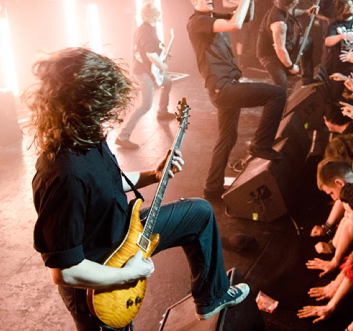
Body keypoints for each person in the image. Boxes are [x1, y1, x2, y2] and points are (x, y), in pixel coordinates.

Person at [26, 47, 249, 331]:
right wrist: (126, 274)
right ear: (82, 101)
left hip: (120, 232)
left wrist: (153, 174)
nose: (110, 110)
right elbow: (66, 270)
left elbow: (106, 182)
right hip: (98, 276)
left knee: (199, 213)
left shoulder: (88, 135)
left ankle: (212, 297)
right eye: (104, 101)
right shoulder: (64, 175)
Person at [187, 0, 287, 200]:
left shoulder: (211, 17)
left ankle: (212, 188)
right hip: (223, 88)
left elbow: (245, 17)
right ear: (194, 1)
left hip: (227, 87)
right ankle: (261, 144)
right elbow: (235, 24)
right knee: (277, 94)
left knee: (227, 137)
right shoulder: (197, 21)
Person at [256, 0, 320, 89]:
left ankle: (307, 79)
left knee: (308, 42)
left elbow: (294, 13)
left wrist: (307, 11)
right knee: (281, 85)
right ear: (291, 0)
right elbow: (280, 49)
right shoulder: (279, 23)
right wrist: (291, 67)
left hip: (286, 46)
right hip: (270, 55)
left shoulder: (286, 8)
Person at [116, 2, 174, 149]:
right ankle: (123, 136)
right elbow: (149, 53)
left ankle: (162, 112)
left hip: (147, 70)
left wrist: (163, 55)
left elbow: (152, 49)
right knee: (145, 106)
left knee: (167, 83)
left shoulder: (147, 29)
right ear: (153, 15)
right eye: (158, 12)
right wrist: (162, 65)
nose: (161, 14)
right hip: (143, 73)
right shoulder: (146, 30)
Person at [221, 0, 249, 67]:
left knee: (241, 39)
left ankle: (240, 61)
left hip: (241, 18)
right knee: (231, 39)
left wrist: (231, 0)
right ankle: (231, 59)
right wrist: (239, 3)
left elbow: (245, 2)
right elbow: (225, 4)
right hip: (230, 18)